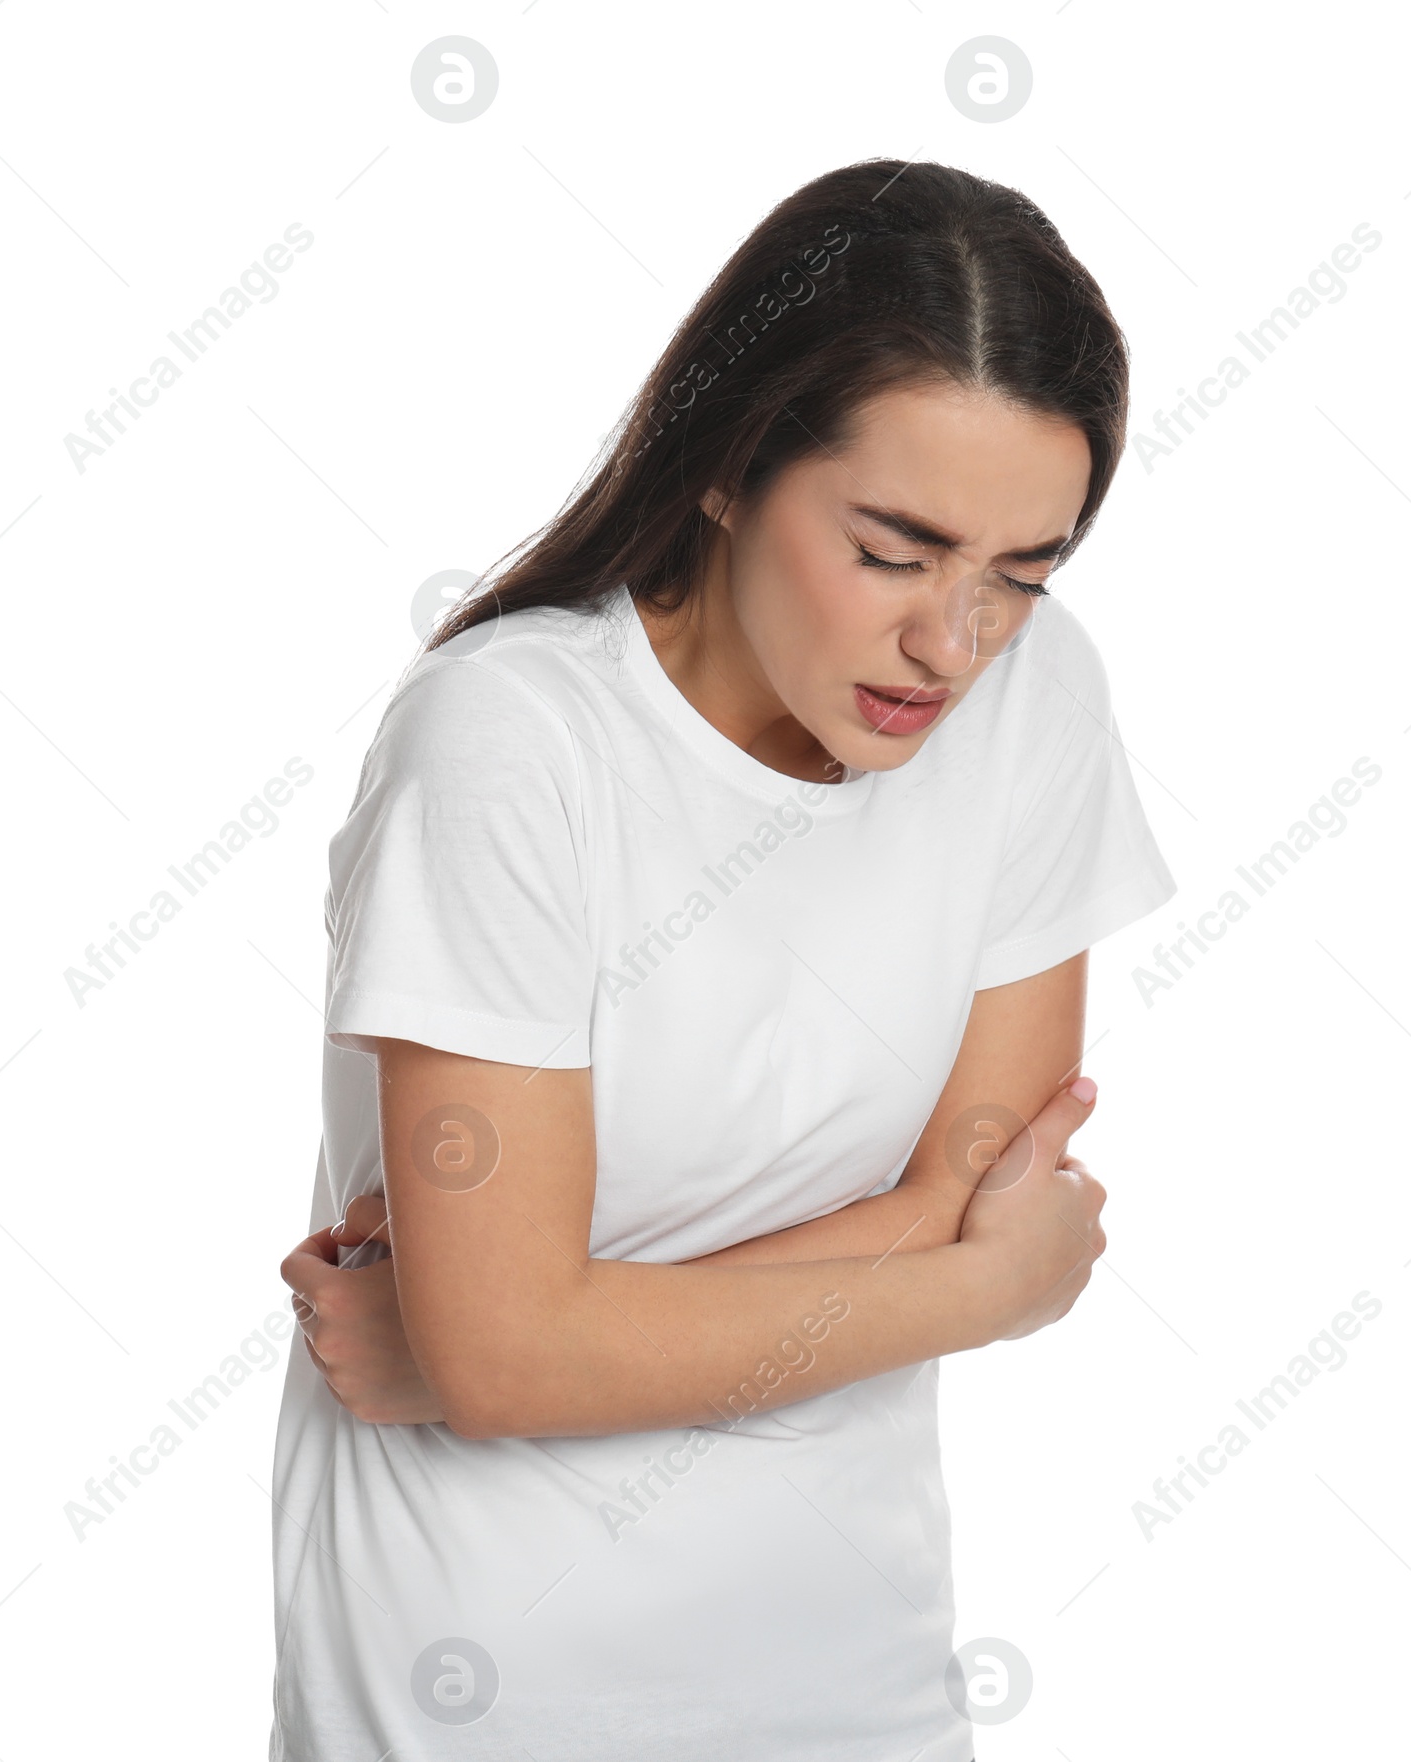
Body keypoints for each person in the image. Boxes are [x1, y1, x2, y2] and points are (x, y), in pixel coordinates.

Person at [269, 157, 1176, 1759]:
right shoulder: (513, 743)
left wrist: (518, 1340)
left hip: (863, 1697)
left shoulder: (1037, 705)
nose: (954, 645)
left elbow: (974, 1185)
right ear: (727, 463)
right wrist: (981, 1286)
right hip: (475, 1706)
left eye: (1023, 574)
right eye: (895, 551)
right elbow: (979, 1243)